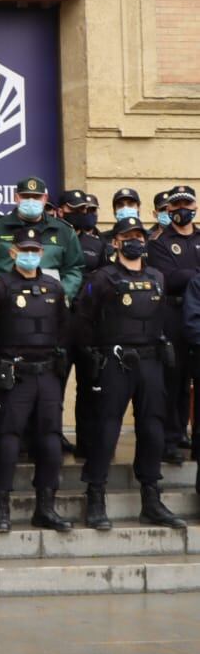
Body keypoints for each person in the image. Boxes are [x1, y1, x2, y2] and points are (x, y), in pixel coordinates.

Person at [74, 217, 187, 530]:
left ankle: (151, 498)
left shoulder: (157, 277)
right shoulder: (102, 278)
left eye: (139, 235)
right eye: (128, 236)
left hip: (150, 363)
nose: (134, 241)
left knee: (152, 430)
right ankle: (95, 496)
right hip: (117, 362)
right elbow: (83, 321)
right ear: (116, 242)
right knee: (106, 430)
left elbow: (161, 317)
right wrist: (94, 356)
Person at [0, 226, 73, 534]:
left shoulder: (53, 289)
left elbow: (64, 328)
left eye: (35, 250)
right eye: (24, 250)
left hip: (46, 375)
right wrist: (2, 364)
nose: (29, 255)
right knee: (7, 441)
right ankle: (0, 508)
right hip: (15, 376)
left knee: (51, 442)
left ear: (41, 253)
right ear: (13, 253)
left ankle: (45, 507)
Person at [0, 176, 84, 304]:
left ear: (45, 199)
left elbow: (74, 269)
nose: (31, 201)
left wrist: (62, 295)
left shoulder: (64, 231)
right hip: (4, 303)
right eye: (26, 196)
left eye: (36, 197)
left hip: (48, 303)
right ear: (16, 198)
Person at [148, 185, 198, 466]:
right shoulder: (158, 241)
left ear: (195, 208)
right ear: (167, 210)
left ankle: (187, 435)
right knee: (173, 378)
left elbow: (184, 276)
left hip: (198, 314)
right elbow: (168, 278)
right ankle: (171, 438)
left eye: (186, 205)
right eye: (176, 205)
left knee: (193, 380)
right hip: (173, 314)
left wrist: (188, 275)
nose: (182, 210)